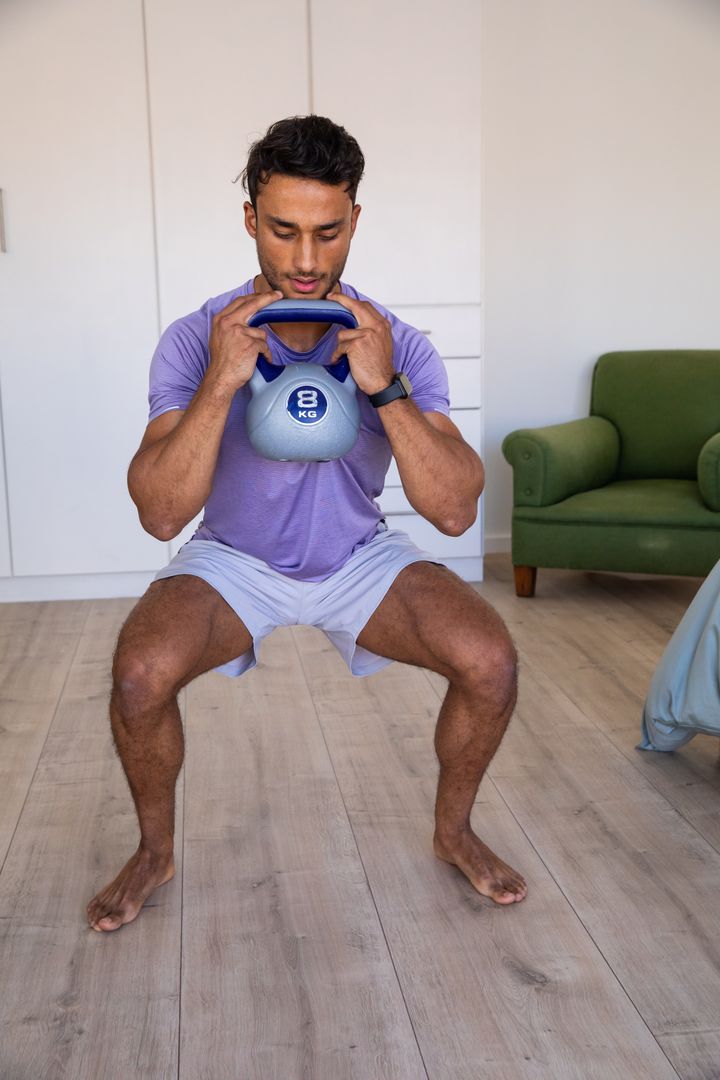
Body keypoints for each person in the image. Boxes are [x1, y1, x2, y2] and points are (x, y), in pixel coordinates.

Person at [86, 115, 526, 933]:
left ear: (355, 219)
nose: (306, 260)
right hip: (233, 560)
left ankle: (453, 830)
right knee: (139, 676)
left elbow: (456, 506)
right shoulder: (196, 338)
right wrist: (222, 382)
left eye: (328, 232)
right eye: (283, 230)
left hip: (360, 555)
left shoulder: (397, 344)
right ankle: (155, 850)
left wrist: (384, 384)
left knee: (491, 662)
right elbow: (159, 514)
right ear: (251, 218)